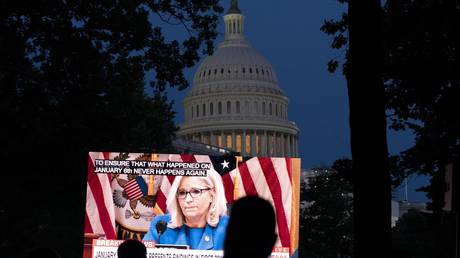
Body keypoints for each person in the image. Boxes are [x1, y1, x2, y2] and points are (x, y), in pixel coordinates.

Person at [143, 169, 228, 250]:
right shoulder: (161, 224)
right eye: (182, 193)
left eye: (196, 191)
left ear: (212, 194)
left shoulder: (230, 226)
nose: (188, 199)